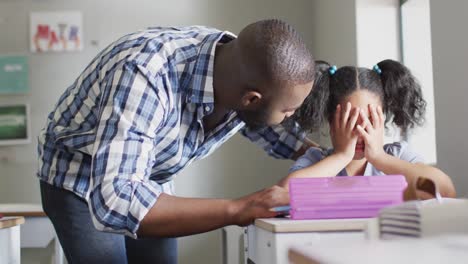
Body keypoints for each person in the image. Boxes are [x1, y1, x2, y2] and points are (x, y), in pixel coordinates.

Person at [37, 19, 316, 263]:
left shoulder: (237, 70)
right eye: (288, 111)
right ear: (251, 98)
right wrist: (239, 208)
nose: (289, 117)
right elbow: (117, 200)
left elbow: (271, 127)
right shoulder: (145, 74)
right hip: (79, 176)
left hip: (148, 177)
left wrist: (331, 153)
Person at [278, 60, 456, 200]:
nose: (360, 132)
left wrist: (379, 157)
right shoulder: (315, 160)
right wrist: (341, 156)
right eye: (350, 120)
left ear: (382, 118)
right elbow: (283, 194)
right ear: (331, 122)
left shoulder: (398, 156)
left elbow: (444, 190)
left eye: (370, 120)